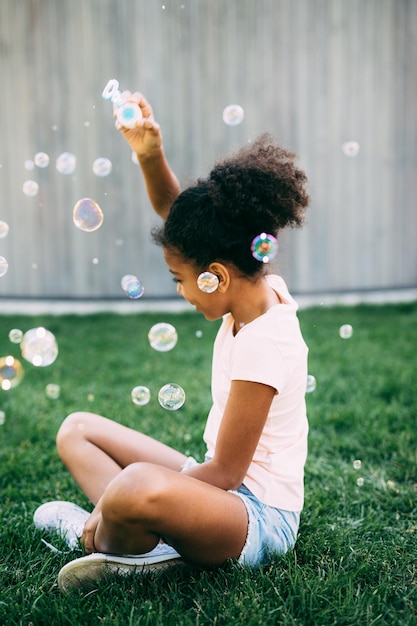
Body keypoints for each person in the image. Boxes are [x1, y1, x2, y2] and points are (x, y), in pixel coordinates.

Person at [34, 91, 310, 593]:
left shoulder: (266, 343)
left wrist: (120, 492)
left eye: (178, 279)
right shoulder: (253, 283)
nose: (179, 291)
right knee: (77, 430)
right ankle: (146, 540)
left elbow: (226, 473)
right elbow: (181, 218)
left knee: (135, 483)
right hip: (217, 491)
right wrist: (149, 154)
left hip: (256, 518)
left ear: (216, 278)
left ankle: (104, 536)